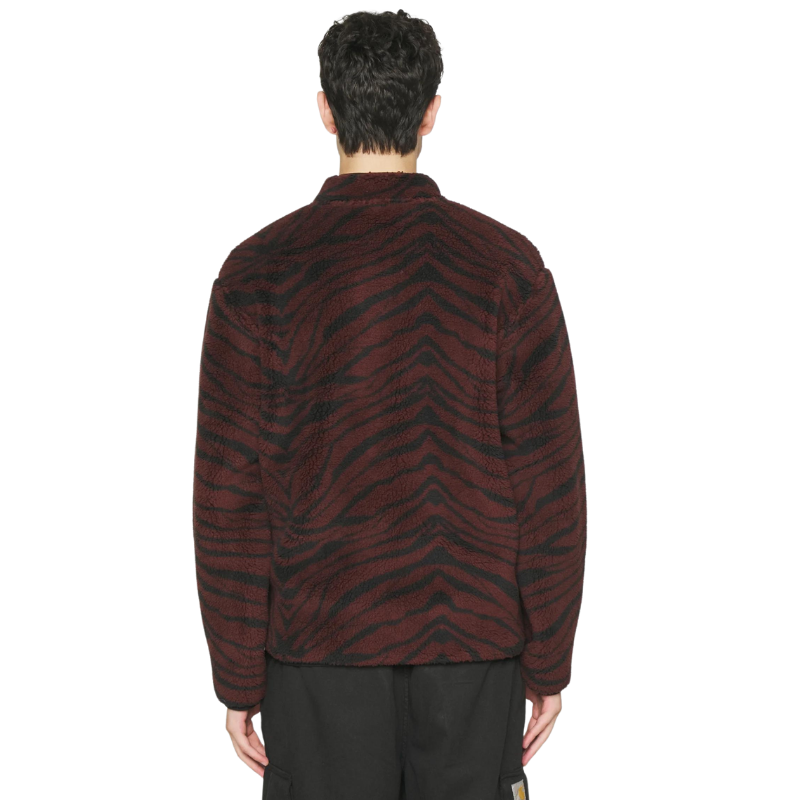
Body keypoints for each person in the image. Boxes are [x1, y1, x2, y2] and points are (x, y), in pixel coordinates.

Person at [192, 9, 587, 799]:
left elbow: (228, 495)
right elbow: (549, 483)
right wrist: (548, 660)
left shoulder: (257, 273)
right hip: (473, 654)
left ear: (325, 111)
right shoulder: (506, 269)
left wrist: (237, 676)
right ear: (432, 112)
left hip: (316, 654)